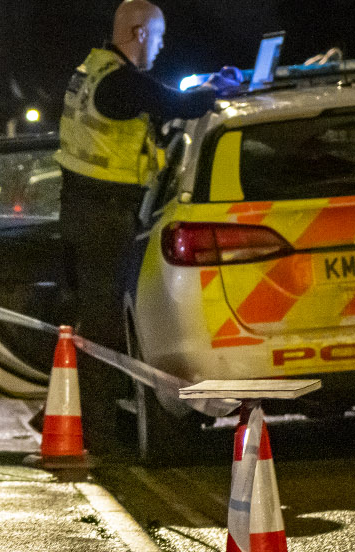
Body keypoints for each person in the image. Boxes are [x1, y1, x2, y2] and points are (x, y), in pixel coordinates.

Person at [55, 0, 241, 447]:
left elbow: (159, 102)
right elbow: (181, 103)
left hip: (86, 209)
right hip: (103, 214)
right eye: (158, 37)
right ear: (139, 33)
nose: (160, 47)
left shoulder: (94, 70)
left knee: (96, 321)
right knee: (103, 327)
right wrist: (222, 85)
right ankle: (96, 435)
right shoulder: (120, 84)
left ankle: (71, 416)